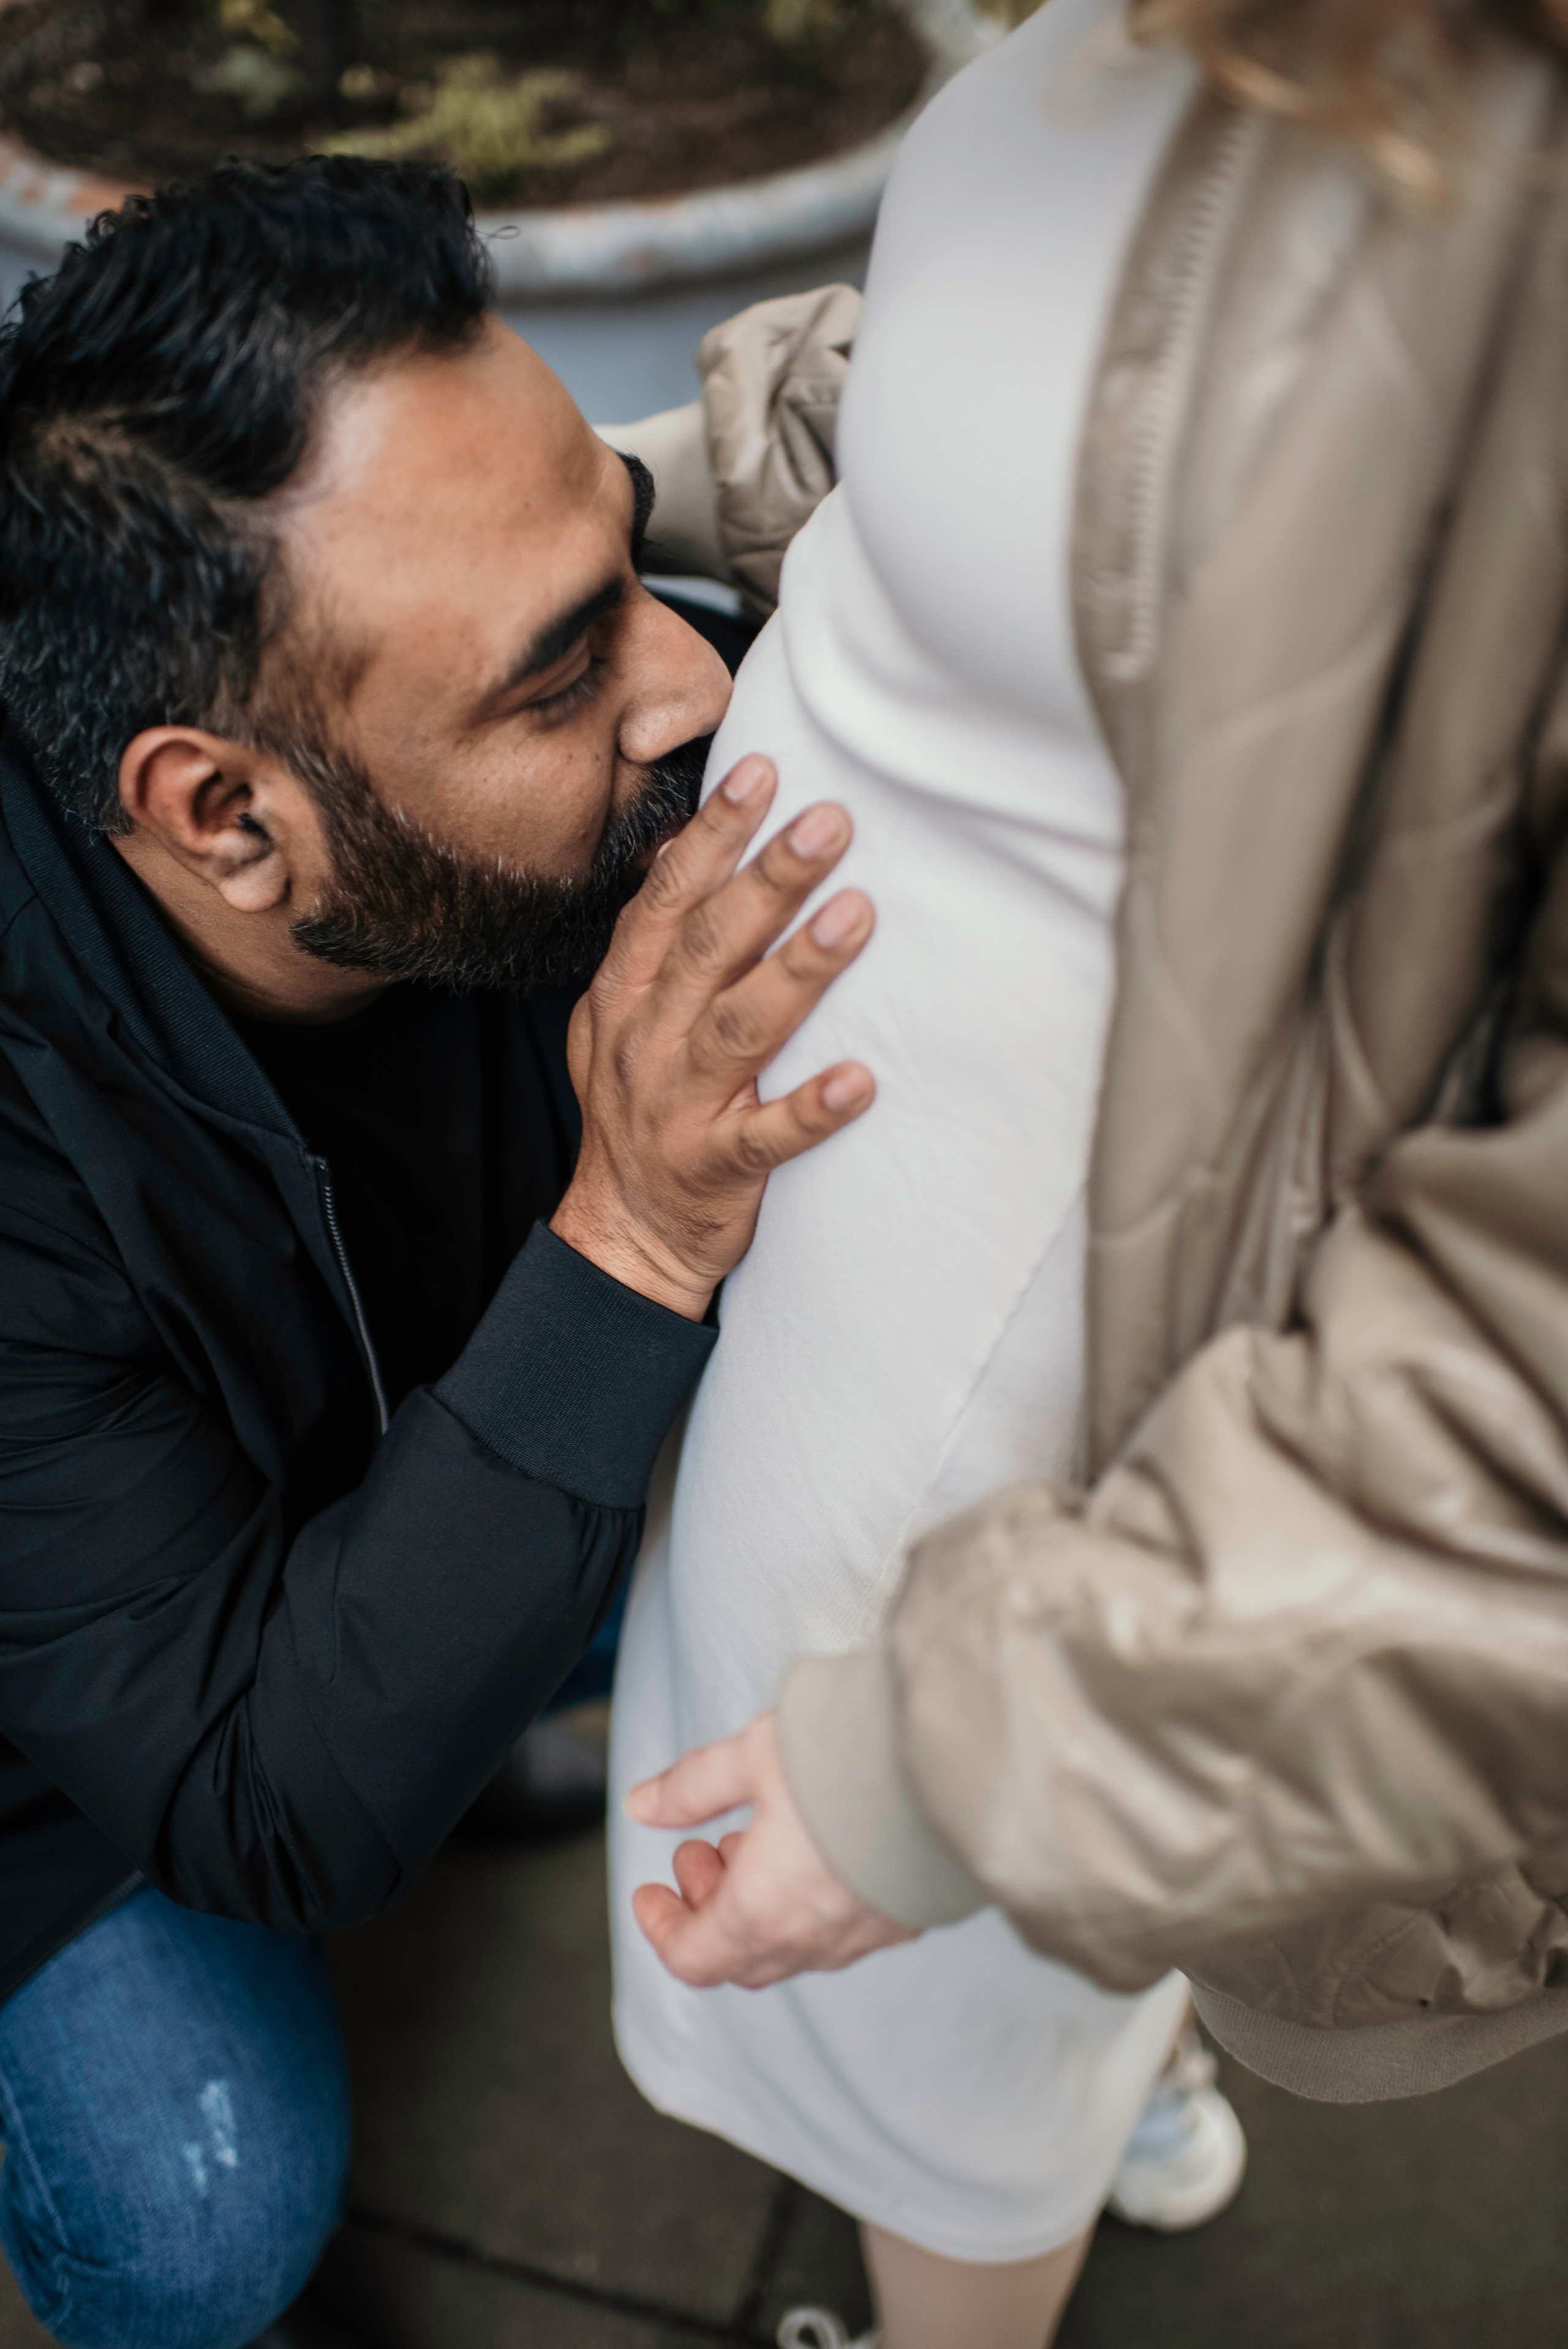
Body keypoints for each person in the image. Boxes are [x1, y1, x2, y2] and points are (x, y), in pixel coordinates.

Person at [628, 0, 1568, 2311]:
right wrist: (605, 483)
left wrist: (964, 1760)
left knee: (914, 2058)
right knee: (1016, 1991)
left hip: (1038, 1410)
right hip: (858, 1253)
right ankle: (1115, 2035)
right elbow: (1070, 401)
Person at [0, 157, 879, 2349]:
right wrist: (638, 1227)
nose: (689, 681)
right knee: (200, 2199)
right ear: (225, 814)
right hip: (68, 1726)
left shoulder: (476, 725)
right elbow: (258, 1803)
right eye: (561, 667)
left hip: (371, 1447)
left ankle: (511, 1691)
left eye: (621, 545)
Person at [609, 11, 1253, 2348]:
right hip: (865, 1192)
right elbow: (964, 402)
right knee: (1027, 1924)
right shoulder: (1160, 39)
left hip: (1028, 1298)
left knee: (919, 1992)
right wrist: (584, 497)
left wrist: (925, 1775)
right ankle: (1144, 2071)